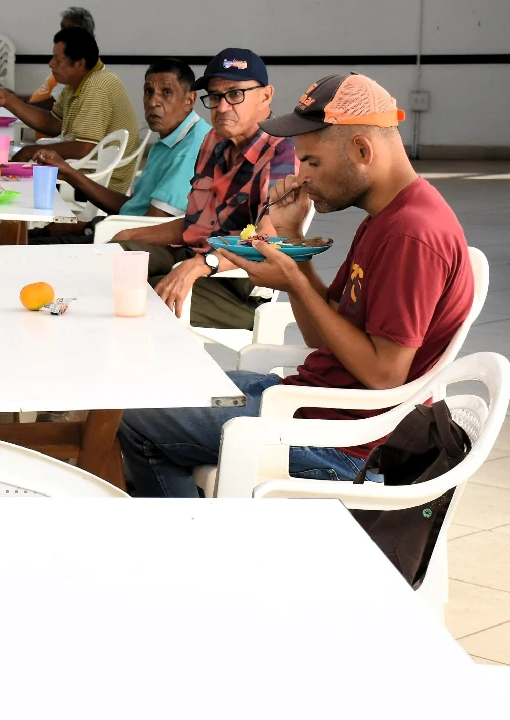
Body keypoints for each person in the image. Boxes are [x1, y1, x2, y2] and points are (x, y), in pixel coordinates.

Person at [118, 73, 474, 499]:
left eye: (313, 163)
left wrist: (293, 281)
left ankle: (194, 531)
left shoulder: (411, 234)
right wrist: (293, 245)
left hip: (343, 443)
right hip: (312, 402)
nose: (301, 177)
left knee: (131, 416)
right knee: (158, 385)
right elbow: (321, 338)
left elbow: (384, 375)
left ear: (362, 151)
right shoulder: (385, 217)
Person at [111, 48, 297, 330]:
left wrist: (201, 264)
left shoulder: (283, 152)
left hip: (240, 286)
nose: (222, 108)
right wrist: (129, 235)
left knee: (142, 296)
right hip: (193, 252)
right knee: (111, 260)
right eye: (215, 97)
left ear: (266, 95)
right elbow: (195, 224)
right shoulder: (214, 140)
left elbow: (268, 238)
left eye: (235, 94)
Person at [28, 58, 210, 243]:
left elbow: (151, 227)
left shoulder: (191, 147)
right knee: (23, 238)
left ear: (189, 100)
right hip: (117, 230)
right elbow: (132, 207)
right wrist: (69, 173)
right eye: (149, 92)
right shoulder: (170, 139)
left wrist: (89, 227)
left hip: (126, 245)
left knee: (25, 246)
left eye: (166, 92)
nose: (153, 102)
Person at [0, 27, 139, 192]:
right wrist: (8, 101)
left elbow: (84, 148)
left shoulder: (96, 87)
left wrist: (32, 151)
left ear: (80, 63)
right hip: (82, 169)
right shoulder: (77, 82)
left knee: (6, 178)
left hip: (98, 183)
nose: (51, 64)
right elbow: (53, 123)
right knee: (1, 167)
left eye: (58, 60)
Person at [24, 7, 96, 110]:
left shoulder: (77, 66)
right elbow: (45, 95)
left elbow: (54, 104)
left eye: (68, 29)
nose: (51, 64)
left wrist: (14, 105)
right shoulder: (64, 58)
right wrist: (13, 98)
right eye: (62, 28)